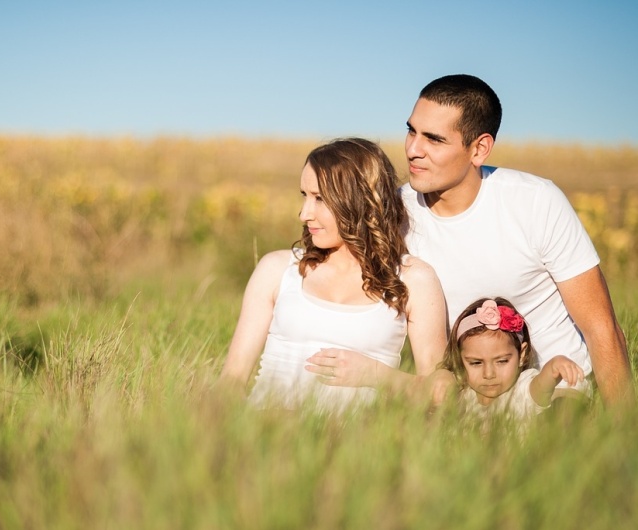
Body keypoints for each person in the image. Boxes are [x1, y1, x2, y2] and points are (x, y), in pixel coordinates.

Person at [307, 74, 634, 409]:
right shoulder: (394, 214)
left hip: (556, 391)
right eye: (411, 131)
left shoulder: (536, 201)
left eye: (434, 139)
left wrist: (622, 432)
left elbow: (601, 327)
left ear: (479, 149)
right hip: (465, 398)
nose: (413, 149)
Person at [218, 138, 449, 414]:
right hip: (266, 439)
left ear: (360, 199)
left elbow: (443, 392)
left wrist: (376, 374)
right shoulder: (277, 270)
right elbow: (231, 381)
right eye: (304, 195)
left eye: (320, 199)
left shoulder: (414, 279)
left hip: (358, 449)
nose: (305, 213)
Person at [439, 297, 584, 433]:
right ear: (459, 359)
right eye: (476, 363)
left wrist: (553, 367)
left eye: (501, 361)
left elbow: (541, 387)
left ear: (521, 355)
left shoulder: (522, 390)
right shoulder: (463, 394)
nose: (489, 374)